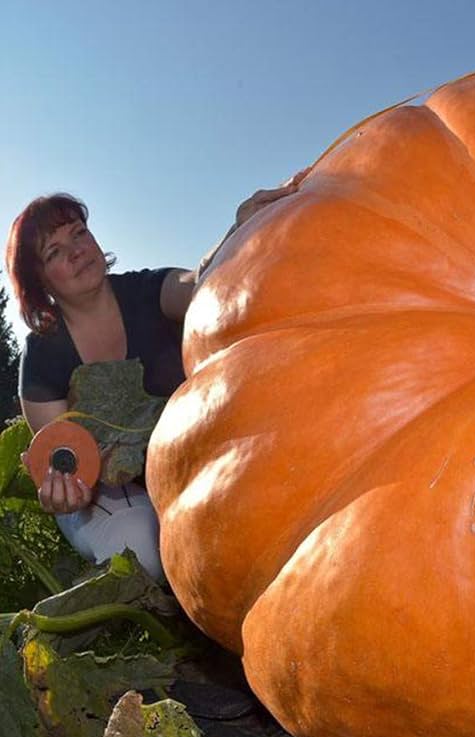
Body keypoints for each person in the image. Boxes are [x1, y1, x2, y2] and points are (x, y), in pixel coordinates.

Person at [5, 174, 305, 582]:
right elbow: (65, 459)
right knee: (142, 548)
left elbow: (201, 282)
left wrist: (238, 230)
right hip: (107, 492)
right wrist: (63, 495)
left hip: (187, 460)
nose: (76, 251)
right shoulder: (43, 355)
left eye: (79, 233)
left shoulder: (147, 291)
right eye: (55, 251)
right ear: (39, 281)